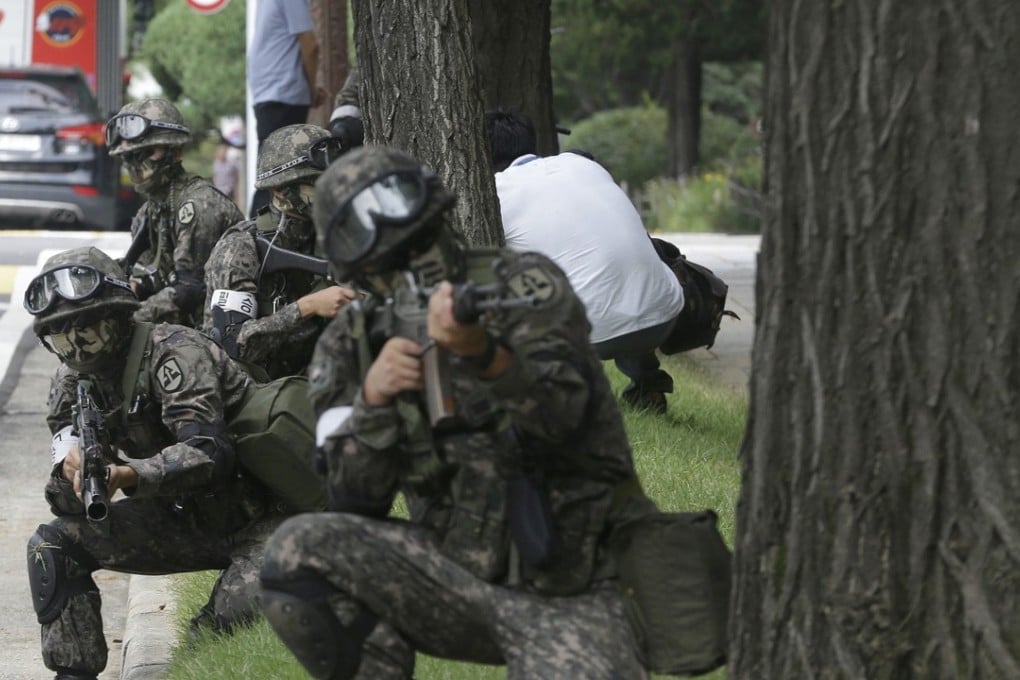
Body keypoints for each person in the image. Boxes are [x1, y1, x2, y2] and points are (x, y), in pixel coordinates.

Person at [258, 146, 654, 678]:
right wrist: (374, 401)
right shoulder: (353, 344)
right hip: (454, 572)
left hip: (573, 580)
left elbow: (568, 420)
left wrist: (484, 355)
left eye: (421, 240)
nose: (415, 265)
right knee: (297, 553)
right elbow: (354, 498)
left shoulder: (523, 288)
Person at [23, 246, 308, 680]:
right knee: (52, 545)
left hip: (264, 519)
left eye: (87, 331)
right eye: (60, 337)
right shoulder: (69, 386)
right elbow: (66, 505)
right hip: (184, 523)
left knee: (221, 630)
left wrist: (133, 474)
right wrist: (69, 475)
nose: (76, 346)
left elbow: (209, 454)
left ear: (116, 316)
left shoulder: (174, 352)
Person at [485, 109, 685, 414]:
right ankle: (648, 384)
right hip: (664, 314)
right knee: (614, 275)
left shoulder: (493, 194)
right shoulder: (581, 164)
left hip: (588, 338)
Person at [202, 123, 359, 379]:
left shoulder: (338, 237)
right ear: (280, 189)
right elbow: (233, 343)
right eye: (319, 184)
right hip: (260, 392)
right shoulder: (241, 248)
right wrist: (308, 307)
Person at [108, 97, 244, 328]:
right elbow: (149, 275)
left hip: (216, 332)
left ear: (176, 150)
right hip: (180, 328)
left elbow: (190, 290)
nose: (135, 164)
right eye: (127, 156)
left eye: (147, 152)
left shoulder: (200, 205)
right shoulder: (149, 212)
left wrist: (132, 318)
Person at [247, 0, 327, 217]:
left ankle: (259, 236)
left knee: (269, 173)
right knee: (283, 178)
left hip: (267, 92)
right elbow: (310, 45)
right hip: (284, 92)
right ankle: (263, 239)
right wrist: (312, 91)